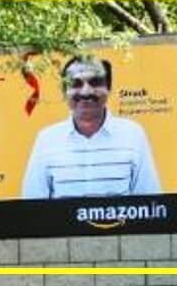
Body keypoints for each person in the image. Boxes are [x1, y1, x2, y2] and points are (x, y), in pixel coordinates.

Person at [21, 55, 161, 199]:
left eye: (95, 82)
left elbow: (150, 202)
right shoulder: (47, 139)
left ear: (109, 88)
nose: (86, 92)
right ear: (64, 91)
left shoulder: (133, 134)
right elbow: (33, 207)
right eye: (75, 84)